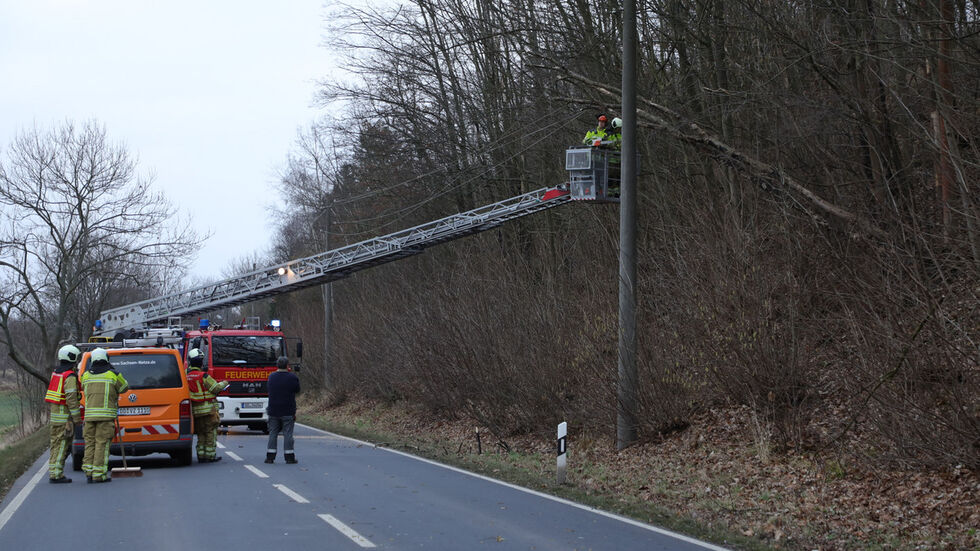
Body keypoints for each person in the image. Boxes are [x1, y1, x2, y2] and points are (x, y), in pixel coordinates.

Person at [80, 348, 129, 483]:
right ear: (106, 359)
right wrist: (113, 370)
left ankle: (89, 472)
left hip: (89, 417)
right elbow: (124, 387)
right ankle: (99, 474)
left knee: (89, 443)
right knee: (102, 444)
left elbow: (84, 387)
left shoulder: (85, 375)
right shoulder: (112, 375)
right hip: (106, 417)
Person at [45, 345, 83, 483]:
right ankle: (56, 475)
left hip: (55, 417)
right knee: (62, 445)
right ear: (71, 357)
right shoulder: (69, 376)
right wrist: (77, 418)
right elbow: (71, 399)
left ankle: (53, 472)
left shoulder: (56, 373)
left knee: (55, 444)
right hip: (65, 418)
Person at [186, 348, 228, 463]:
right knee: (210, 434)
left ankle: (201, 456)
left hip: (195, 411)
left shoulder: (186, 376)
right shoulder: (203, 376)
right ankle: (210, 456)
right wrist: (225, 382)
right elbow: (215, 388)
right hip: (208, 411)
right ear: (201, 362)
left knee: (200, 434)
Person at [265, 356, 300, 464]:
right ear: (287, 365)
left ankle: (270, 457)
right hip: (288, 410)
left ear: (277, 365)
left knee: (273, 433)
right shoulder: (292, 377)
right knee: (288, 434)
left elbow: (268, 389)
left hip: (273, 409)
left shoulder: (271, 377)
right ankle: (289, 457)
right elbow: (297, 390)